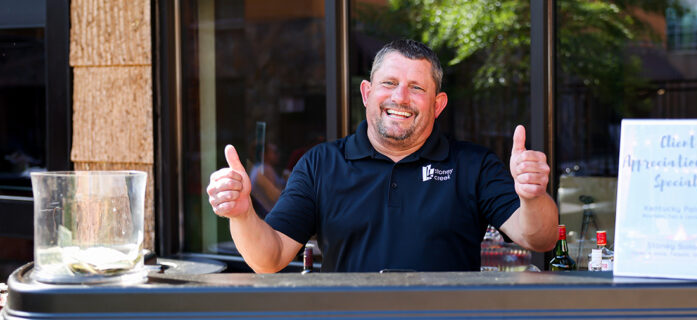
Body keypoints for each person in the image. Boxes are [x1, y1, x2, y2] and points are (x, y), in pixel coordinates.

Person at [205, 39, 558, 273]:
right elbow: (270, 257)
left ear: (438, 105)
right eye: (389, 83)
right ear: (367, 92)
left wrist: (533, 196)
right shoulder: (321, 165)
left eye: (416, 88)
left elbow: (539, 237)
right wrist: (241, 214)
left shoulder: (473, 165)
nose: (400, 97)